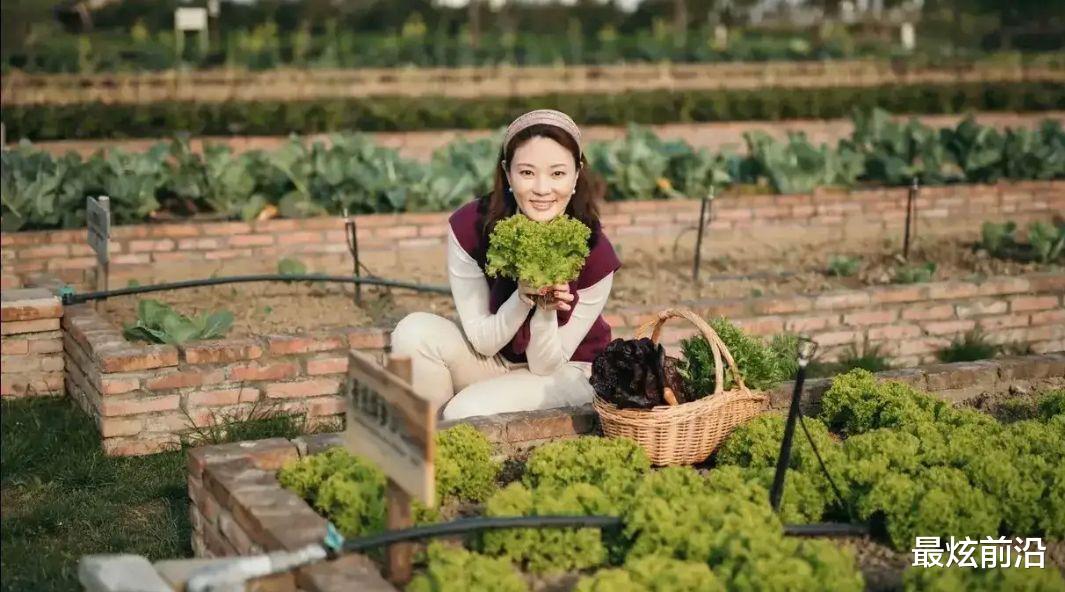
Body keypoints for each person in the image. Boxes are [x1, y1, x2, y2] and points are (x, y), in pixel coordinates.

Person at [391, 109, 622, 421]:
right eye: (527, 173)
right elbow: (484, 342)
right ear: (507, 173)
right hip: (495, 358)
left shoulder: (596, 252)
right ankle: (421, 448)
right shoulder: (469, 227)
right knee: (413, 332)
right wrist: (523, 296)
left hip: (566, 370)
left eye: (557, 173)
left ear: (577, 174)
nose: (542, 189)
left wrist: (545, 307)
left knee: (465, 411)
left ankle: (453, 436)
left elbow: (545, 365)